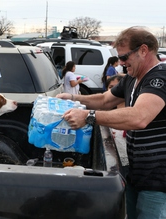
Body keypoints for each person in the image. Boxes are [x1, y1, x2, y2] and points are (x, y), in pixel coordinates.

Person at [56, 26, 166, 219]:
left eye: (124, 57)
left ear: (143, 50)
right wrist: (72, 99)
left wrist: (89, 117)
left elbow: (140, 117)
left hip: (158, 178)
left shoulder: (159, 78)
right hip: (137, 173)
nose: (122, 63)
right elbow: (105, 100)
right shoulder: (132, 77)